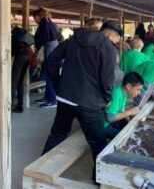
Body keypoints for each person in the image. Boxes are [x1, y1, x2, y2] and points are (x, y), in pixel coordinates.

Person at [42, 21, 123, 184]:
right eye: (117, 39)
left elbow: (50, 61)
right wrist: (107, 98)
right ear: (109, 34)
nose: (116, 43)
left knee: (57, 133)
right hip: (89, 103)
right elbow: (107, 79)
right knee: (97, 141)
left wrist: (57, 84)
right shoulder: (108, 48)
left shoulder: (72, 40)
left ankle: (42, 169)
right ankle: (99, 179)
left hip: (65, 98)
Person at [33, 8, 59, 108]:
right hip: (54, 50)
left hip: (50, 51)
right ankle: (48, 97)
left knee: (49, 76)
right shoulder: (51, 22)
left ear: (39, 16)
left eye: (34, 17)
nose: (34, 20)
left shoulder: (44, 23)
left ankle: (52, 101)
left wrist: (37, 47)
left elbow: (43, 38)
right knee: (48, 75)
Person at [104, 72, 144, 139]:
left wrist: (130, 121)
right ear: (128, 86)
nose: (139, 93)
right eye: (138, 90)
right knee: (128, 137)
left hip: (112, 121)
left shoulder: (124, 92)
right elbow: (110, 118)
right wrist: (130, 112)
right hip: (104, 125)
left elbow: (121, 110)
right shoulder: (117, 94)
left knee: (132, 128)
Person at [11, 26, 34, 113]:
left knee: (13, 82)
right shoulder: (24, 37)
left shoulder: (15, 37)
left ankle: (9, 106)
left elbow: (12, 51)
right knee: (20, 82)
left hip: (20, 58)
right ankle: (20, 106)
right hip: (27, 57)